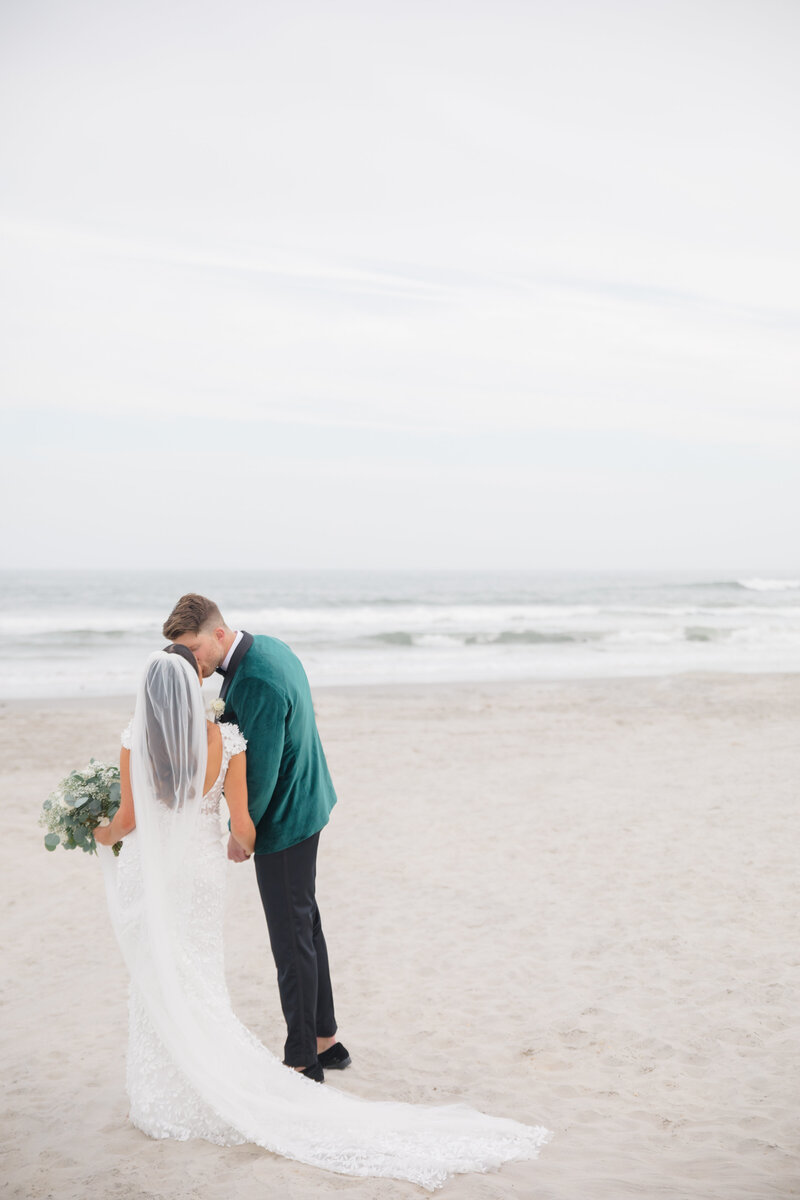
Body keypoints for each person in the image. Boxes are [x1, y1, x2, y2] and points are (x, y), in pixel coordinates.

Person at [97, 647, 550, 1188]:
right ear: (193, 685)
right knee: (200, 972)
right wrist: (239, 843)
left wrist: (94, 832)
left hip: (152, 876)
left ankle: (170, 1086)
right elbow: (242, 827)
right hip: (200, 875)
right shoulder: (224, 741)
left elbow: (125, 821)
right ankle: (291, 1049)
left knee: (158, 973)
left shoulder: (135, 740)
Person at [161, 593, 342, 1082]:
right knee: (307, 926)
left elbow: (258, 774)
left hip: (284, 819)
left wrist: (242, 834)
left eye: (193, 649)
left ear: (218, 635)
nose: (191, 661)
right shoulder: (269, 647)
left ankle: (304, 1058)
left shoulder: (255, 678)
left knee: (290, 941)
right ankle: (327, 1041)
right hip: (310, 798)